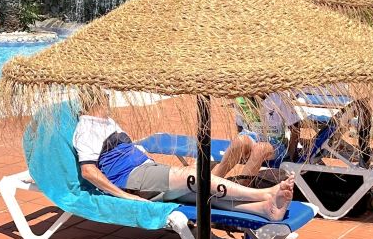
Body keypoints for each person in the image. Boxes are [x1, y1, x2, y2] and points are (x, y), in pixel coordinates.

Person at [72, 91, 296, 220]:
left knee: (204, 196)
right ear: (97, 100)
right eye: (106, 96)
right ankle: (264, 192)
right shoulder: (87, 127)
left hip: (145, 172)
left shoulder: (106, 122)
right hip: (134, 178)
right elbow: (88, 171)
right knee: (194, 176)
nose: (110, 99)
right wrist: (125, 196)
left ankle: (265, 208)